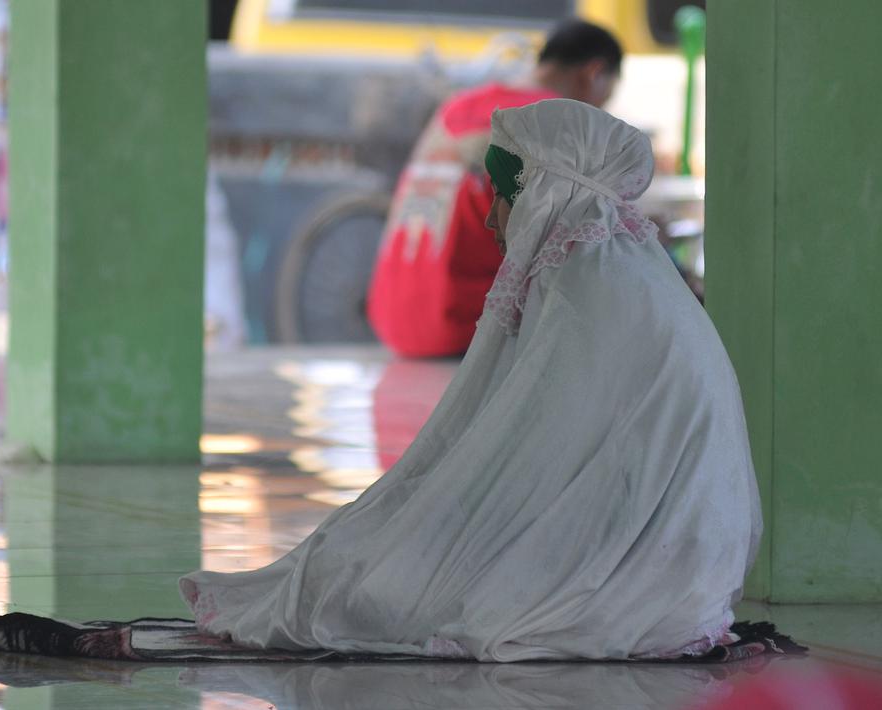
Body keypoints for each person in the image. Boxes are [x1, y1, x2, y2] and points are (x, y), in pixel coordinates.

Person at [181, 100, 763, 661]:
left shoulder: (593, 286)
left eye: (505, 197)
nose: (491, 217)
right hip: (682, 559)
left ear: (548, 194)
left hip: (654, 569)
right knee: (376, 560)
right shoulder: (609, 267)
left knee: (378, 586)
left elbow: (536, 462)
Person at [368, 18, 621, 358]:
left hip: (395, 321)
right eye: (608, 93)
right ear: (594, 73)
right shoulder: (555, 121)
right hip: (461, 326)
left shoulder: (458, 105)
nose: (602, 108)